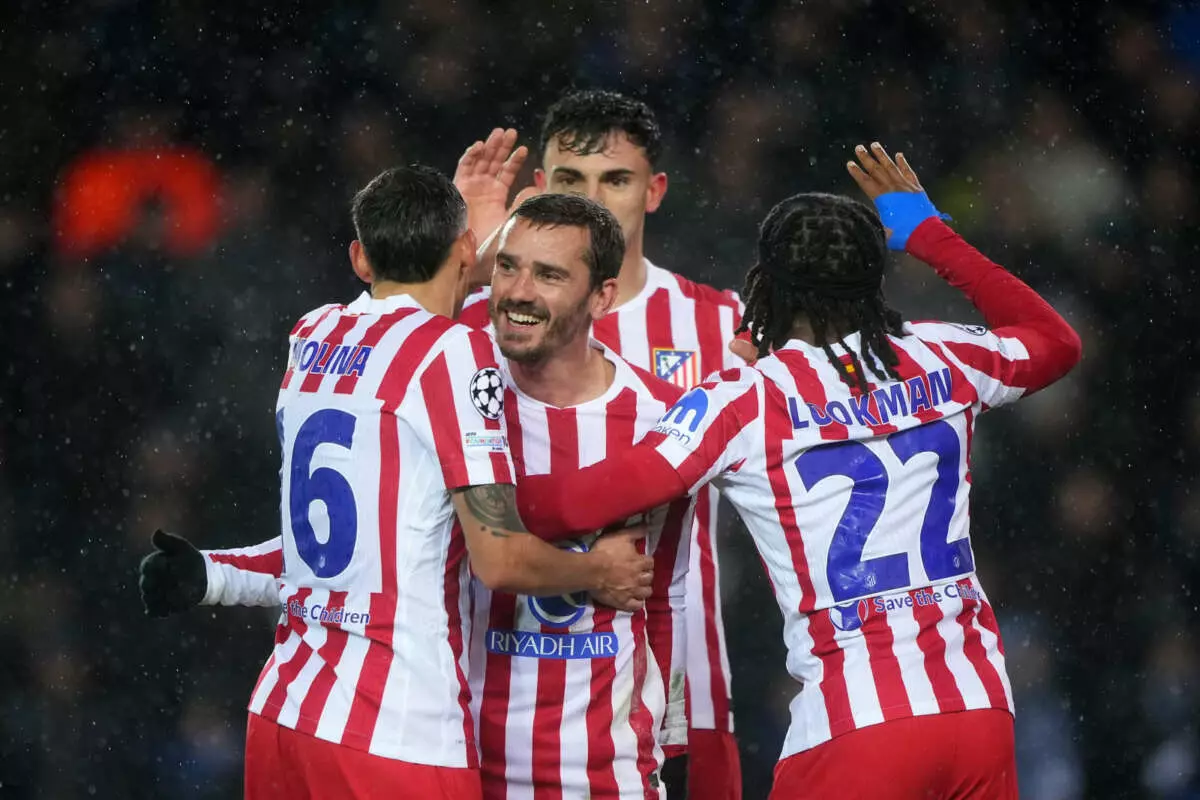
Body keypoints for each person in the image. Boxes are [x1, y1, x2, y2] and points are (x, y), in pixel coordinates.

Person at [512, 144, 1083, 799]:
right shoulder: (944, 354)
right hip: (977, 709)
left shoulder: (746, 398)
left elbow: (581, 502)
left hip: (856, 725)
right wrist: (929, 235)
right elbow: (1057, 343)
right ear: (874, 279)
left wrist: (469, 485)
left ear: (768, 285)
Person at [138, 165, 654, 800]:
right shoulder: (451, 353)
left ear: (360, 257)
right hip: (395, 732)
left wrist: (213, 574)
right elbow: (499, 559)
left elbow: (336, 549)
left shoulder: (313, 335)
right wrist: (597, 572)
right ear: (466, 250)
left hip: (284, 715)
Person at [454, 90, 745, 798]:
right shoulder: (478, 326)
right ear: (539, 188)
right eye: (570, 179)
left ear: (654, 191)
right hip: (490, 680)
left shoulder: (720, 325)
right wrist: (471, 256)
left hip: (677, 661)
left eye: (615, 179)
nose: (594, 199)